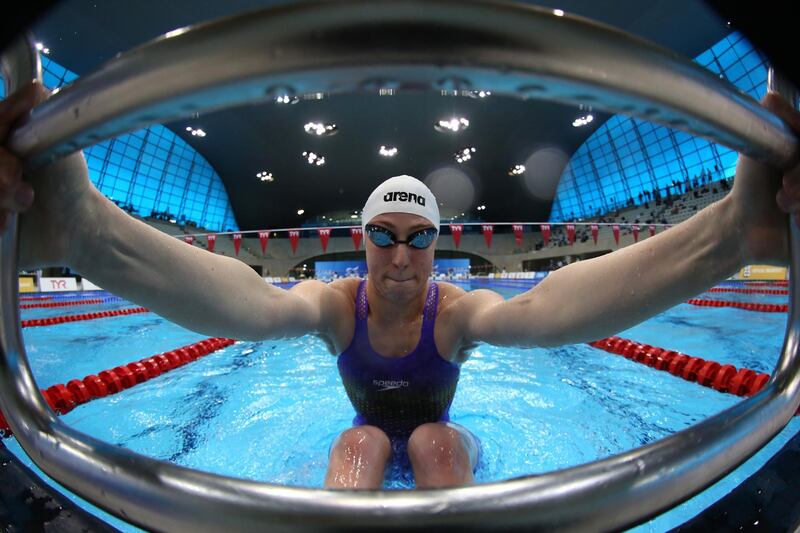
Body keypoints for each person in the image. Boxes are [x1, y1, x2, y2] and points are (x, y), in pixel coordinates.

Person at [1, 82, 799, 490]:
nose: (402, 258)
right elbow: (248, 303)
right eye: (384, 237)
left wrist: (728, 238)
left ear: (436, 250)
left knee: (431, 440)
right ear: (362, 242)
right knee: (359, 442)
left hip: (451, 450)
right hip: (363, 449)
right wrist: (88, 234)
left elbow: (553, 309)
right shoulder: (331, 307)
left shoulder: (455, 313)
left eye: (419, 240)